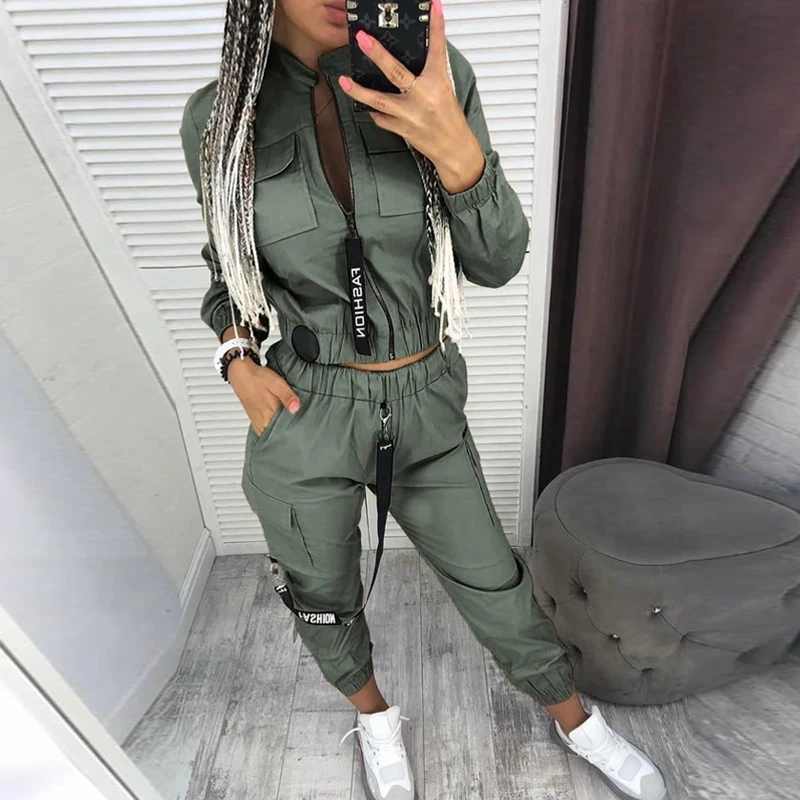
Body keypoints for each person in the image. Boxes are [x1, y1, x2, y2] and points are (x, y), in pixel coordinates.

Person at [179, 1, 668, 798]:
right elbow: (226, 267)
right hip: (302, 409)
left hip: (424, 396)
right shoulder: (219, 117)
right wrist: (235, 360)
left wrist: (452, 143)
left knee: (494, 583)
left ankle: (574, 719)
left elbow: (498, 260)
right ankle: (375, 717)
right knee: (319, 592)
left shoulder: (434, 78)